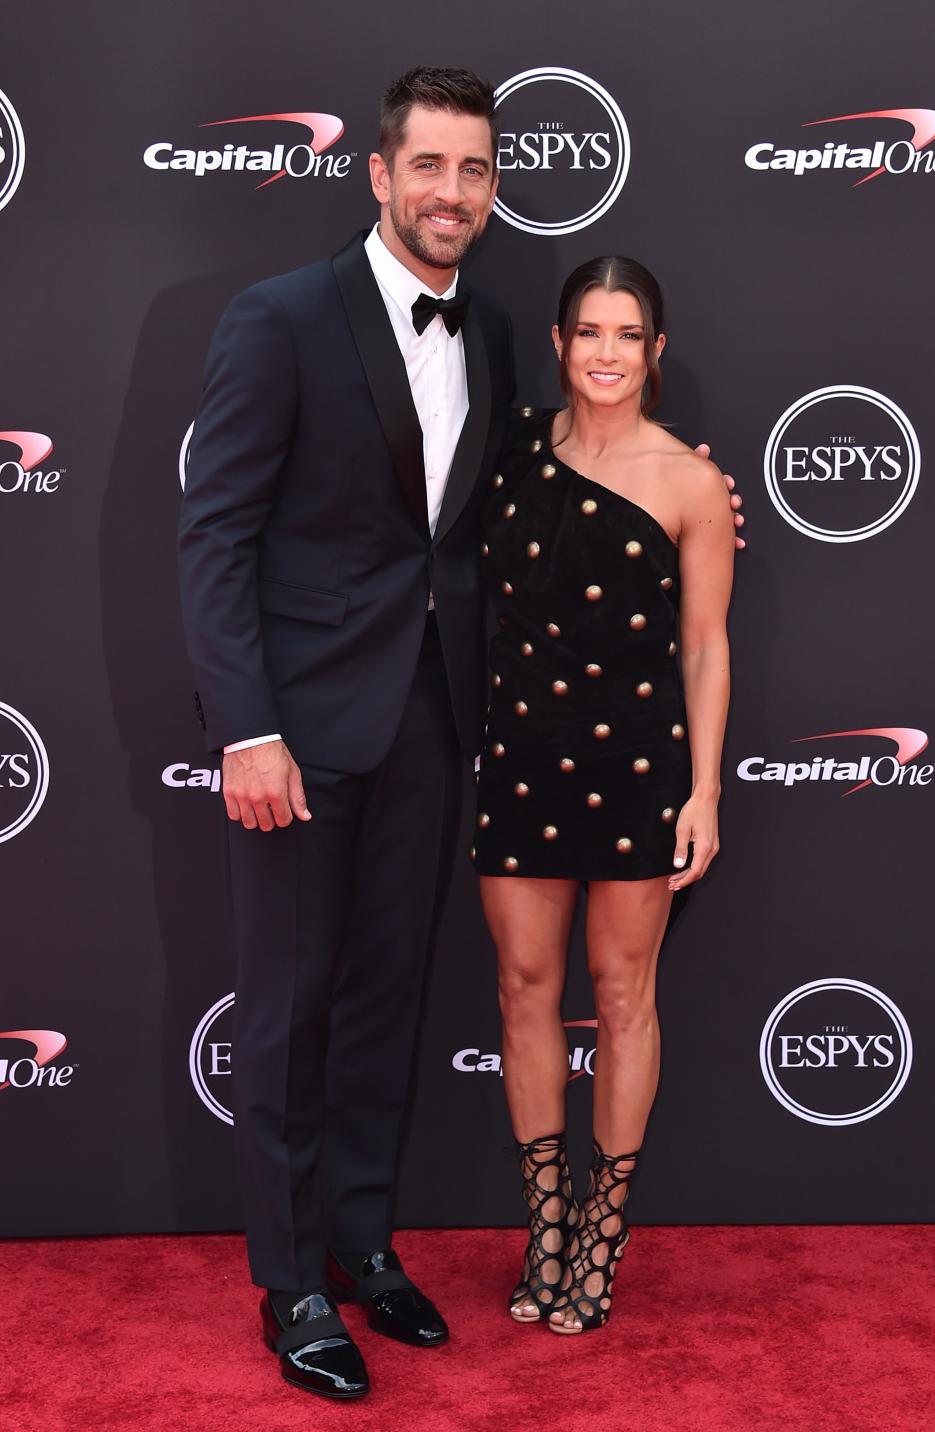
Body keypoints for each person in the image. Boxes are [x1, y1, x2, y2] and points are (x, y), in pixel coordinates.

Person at [178, 68, 515, 1401]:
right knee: (287, 1011)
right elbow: (214, 538)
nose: (451, 194)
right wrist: (244, 728)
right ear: (377, 174)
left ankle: (365, 1241)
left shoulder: (488, 328)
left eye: (475, 172)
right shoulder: (281, 319)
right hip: (299, 733)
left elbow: (489, 516)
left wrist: (677, 496)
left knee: (386, 1000)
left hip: (434, 719)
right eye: (428, 167)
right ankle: (291, 1279)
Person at [472, 256, 735, 1334]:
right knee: (523, 990)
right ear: (559, 340)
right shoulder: (511, 452)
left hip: (637, 766)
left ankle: (601, 1233)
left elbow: (708, 646)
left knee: (624, 997)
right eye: (590, 332)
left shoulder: (689, 481)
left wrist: (705, 788)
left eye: (629, 334)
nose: (608, 353)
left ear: (657, 350)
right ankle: (545, 1222)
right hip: (523, 755)